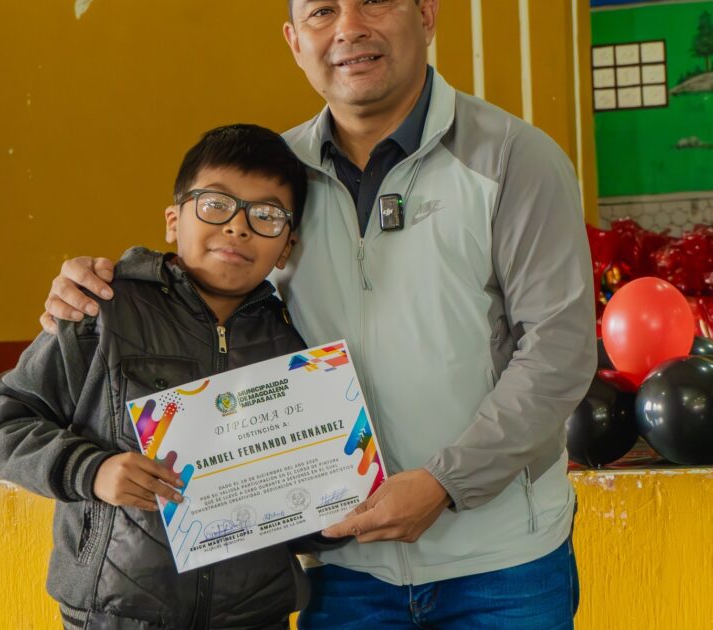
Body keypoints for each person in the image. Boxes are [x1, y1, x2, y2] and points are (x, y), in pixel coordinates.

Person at [40, 1, 597, 628]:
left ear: (427, 14)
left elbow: (559, 350)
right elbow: (202, 288)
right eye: (323, 10)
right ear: (294, 40)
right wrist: (93, 287)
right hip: (342, 572)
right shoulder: (274, 180)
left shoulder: (513, 160)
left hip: (502, 566)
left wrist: (446, 482)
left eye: (375, 1)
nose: (349, 27)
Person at [0, 124, 316, 629]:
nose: (238, 228)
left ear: (286, 248)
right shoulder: (104, 309)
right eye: (216, 205)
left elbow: (302, 486)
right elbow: (0, 420)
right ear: (174, 221)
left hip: (254, 615)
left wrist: (332, 517)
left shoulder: (295, 341)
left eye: (266, 216)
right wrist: (91, 471)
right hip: (116, 614)